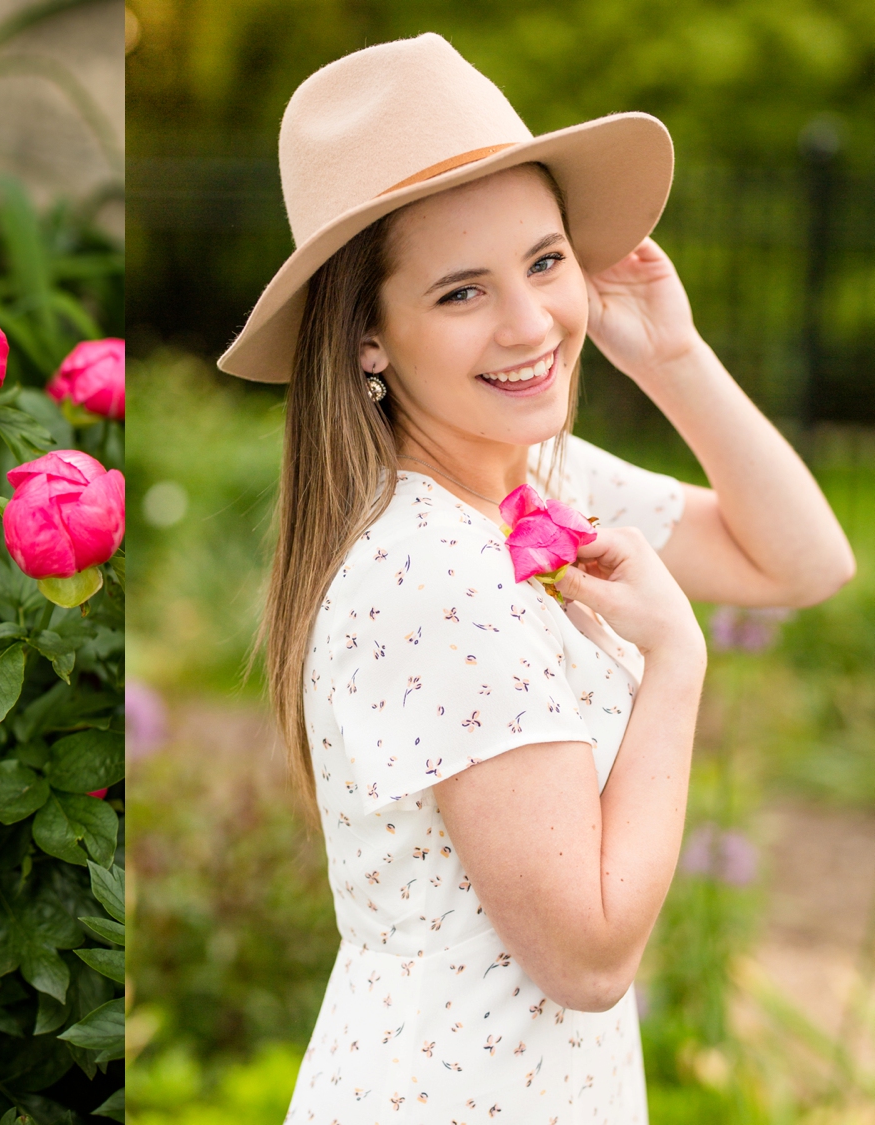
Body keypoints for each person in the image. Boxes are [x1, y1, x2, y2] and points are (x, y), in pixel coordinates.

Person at [218, 33, 854, 1122]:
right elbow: (592, 956)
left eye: (545, 261)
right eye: (463, 292)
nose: (529, 324)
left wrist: (669, 356)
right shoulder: (433, 569)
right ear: (368, 337)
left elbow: (803, 561)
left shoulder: (524, 475)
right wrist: (677, 662)